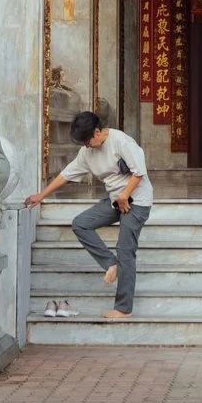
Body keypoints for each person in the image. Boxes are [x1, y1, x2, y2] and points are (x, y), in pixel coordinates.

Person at [24, 110, 151, 319]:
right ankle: (110, 263)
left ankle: (123, 309)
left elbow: (140, 172)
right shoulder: (87, 151)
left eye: (87, 141)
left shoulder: (121, 142)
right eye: (82, 143)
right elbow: (66, 174)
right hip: (115, 201)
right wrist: (41, 196)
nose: (86, 146)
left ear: (98, 131)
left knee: (125, 250)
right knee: (81, 223)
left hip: (137, 201)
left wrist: (125, 195)